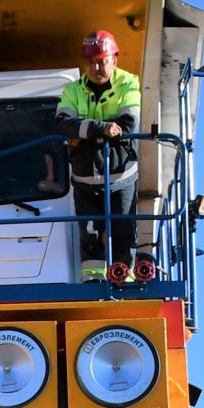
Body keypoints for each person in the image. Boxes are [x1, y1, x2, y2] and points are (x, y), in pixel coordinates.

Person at [56, 29, 144, 282]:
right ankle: (93, 284)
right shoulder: (73, 89)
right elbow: (62, 123)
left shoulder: (129, 83)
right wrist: (101, 128)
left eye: (101, 61)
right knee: (90, 236)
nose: (95, 67)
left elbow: (128, 126)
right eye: (90, 62)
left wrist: (83, 130)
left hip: (121, 178)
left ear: (114, 59)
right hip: (84, 179)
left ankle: (123, 283)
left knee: (124, 232)